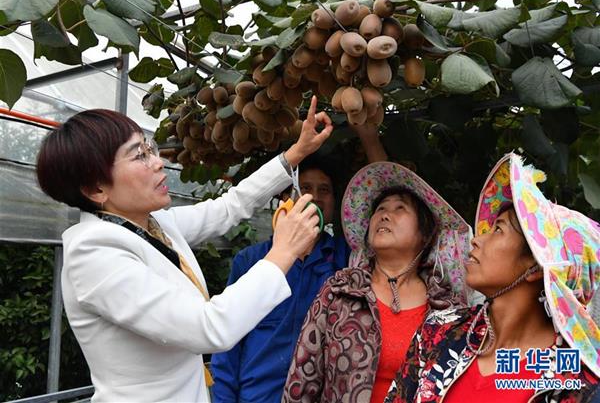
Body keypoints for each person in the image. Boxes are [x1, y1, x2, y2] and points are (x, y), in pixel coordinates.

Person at [35, 96, 333, 402]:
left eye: (149, 147)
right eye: (139, 156)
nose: (158, 161)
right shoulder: (94, 254)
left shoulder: (152, 226)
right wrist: (284, 251)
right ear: (96, 189)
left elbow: (228, 208)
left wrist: (297, 152)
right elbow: (209, 328)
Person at [385, 153, 600, 403]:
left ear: (537, 266)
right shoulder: (439, 332)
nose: (477, 239)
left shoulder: (576, 383)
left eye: (498, 229)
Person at [282, 160, 473, 403]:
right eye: (380, 209)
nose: (384, 215)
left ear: (425, 234)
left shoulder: (448, 310)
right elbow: (301, 382)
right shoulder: (340, 291)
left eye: (399, 209)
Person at [210, 154, 351, 403]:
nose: (315, 197)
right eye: (305, 188)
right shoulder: (252, 261)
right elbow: (228, 343)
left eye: (324, 190)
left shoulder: (347, 261)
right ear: (286, 199)